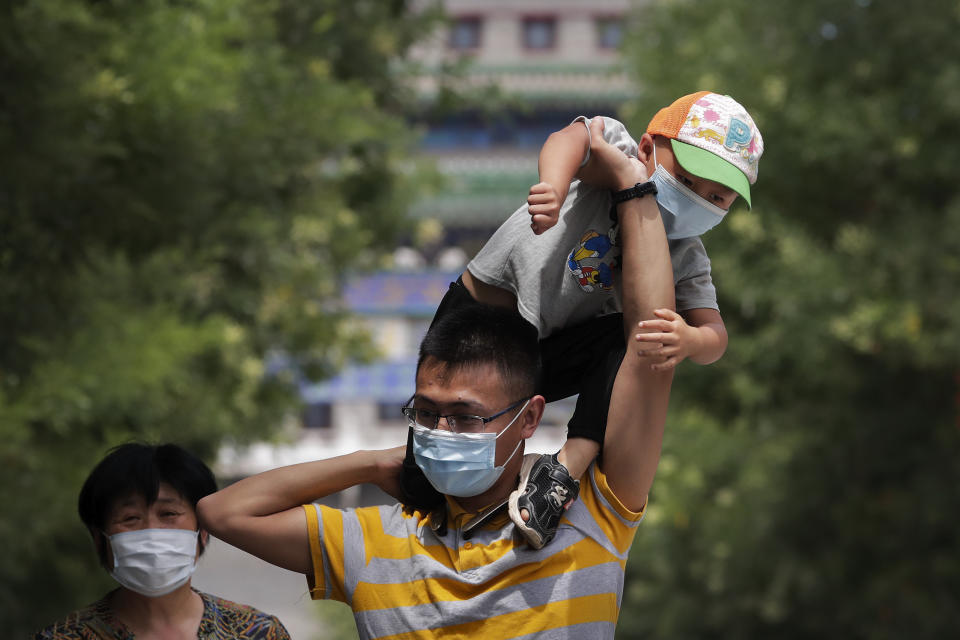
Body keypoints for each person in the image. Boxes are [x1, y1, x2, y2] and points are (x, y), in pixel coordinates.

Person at [196, 125, 677, 639]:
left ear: (529, 417)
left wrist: (631, 183)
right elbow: (222, 512)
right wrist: (375, 463)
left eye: (466, 416)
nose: (442, 430)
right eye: (426, 413)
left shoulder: (593, 515)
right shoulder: (374, 540)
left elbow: (651, 348)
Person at [399, 91, 765, 548]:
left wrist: (690, 339)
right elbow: (566, 139)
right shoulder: (617, 154)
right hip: (483, 316)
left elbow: (716, 334)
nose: (698, 200)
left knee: (629, 339)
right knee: (419, 477)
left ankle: (562, 471)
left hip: (541, 355)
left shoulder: (686, 256)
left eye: (717, 198)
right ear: (648, 150)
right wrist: (553, 186)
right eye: (687, 181)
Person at [34, 443, 291, 640]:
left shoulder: (256, 633)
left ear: (203, 530)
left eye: (169, 514)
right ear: (99, 538)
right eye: (130, 518)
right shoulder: (65, 636)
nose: (151, 531)